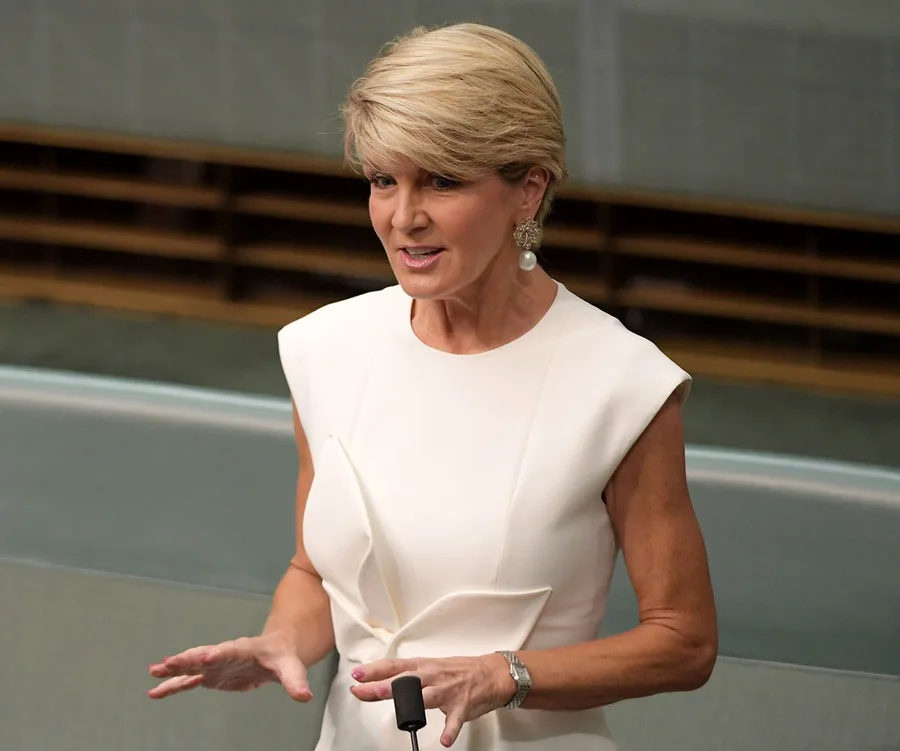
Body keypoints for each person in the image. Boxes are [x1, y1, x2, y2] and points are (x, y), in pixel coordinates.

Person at [148, 22, 717, 751]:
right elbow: (313, 569)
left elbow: (684, 640)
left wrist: (506, 673)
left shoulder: (623, 384)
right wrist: (281, 639)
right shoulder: (325, 348)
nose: (402, 216)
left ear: (528, 191)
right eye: (385, 179)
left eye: (441, 180)